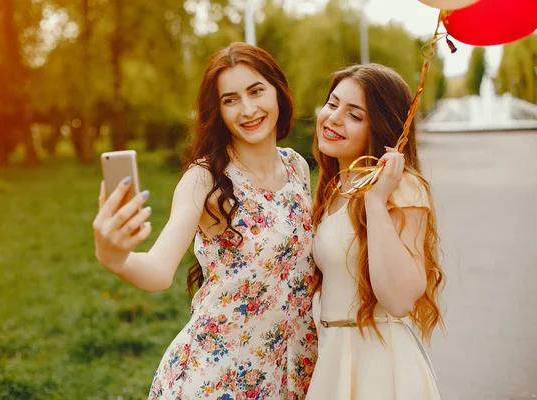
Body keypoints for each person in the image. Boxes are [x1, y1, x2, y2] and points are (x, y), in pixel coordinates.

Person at [92, 42, 317, 400]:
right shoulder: (206, 179)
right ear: (219, 111)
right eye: (230, 100)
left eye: (256, 91)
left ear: (278, 92)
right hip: (219, 376)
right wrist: (114, 256)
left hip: (285, 372)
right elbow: (159, 269)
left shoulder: (296, 167)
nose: (248, 109)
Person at [306, 63, 445, 400]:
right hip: (334, 358)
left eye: (355, 115)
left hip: (379, 366)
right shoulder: (334, 187)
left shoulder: (403, 188)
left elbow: (398, 300)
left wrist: (377, 201)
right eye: (332, 103)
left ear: (381, 128)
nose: (334, 118)